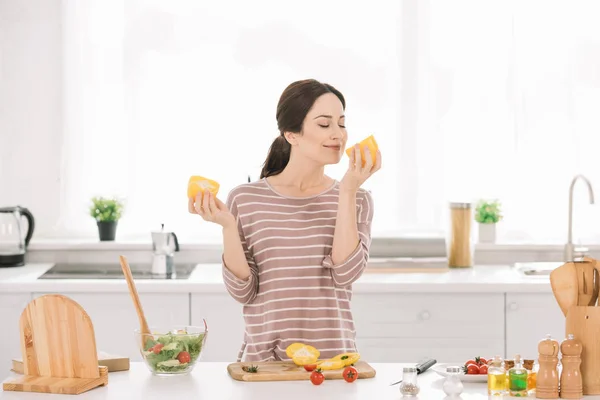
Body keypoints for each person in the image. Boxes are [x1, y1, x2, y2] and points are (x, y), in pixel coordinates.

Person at [188, 79, 381, 362]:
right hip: (265, 365)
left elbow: (345, 274)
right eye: (324, 124)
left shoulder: (358, 198)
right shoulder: (245, 199)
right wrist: (228, 226)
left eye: (341, 123)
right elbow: (244, 291)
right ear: (292, 134)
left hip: (333, 364)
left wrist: (348, 189)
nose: (338, 134)